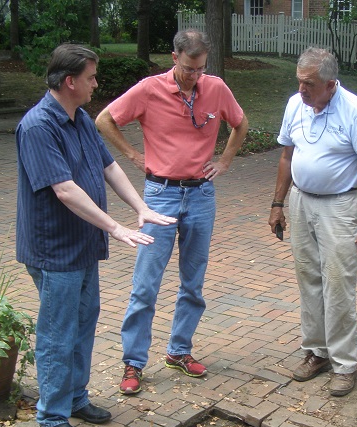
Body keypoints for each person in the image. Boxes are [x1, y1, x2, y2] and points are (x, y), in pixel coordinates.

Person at [16, 44, 176, 427]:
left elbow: (108, 167)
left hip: (83, 245)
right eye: (91, 77)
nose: (96, 83)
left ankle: (75, 398)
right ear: (70, 81)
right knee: (57, 331)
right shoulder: (38, 127)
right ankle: (51, 415)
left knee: (84, 321)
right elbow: (65, 191)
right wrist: (115, 229)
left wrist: (140, 208)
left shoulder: (81, 118)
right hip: (55, 251)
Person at [96, 29, 248, 396]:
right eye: (189, 68)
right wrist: (133, 155)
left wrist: (225, 160)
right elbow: (104, 120)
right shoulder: (149, 89)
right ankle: (133, 363)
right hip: (160, 196)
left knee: (193, 282)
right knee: (145, 284)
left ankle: (179, 350)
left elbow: (240, 123)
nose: (195, 76)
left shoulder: (215, 88)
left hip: (201, 195)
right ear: (174, 58)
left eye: (201, 69)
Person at [269, 47, 357, 398]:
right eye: (299, 82)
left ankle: (345, 363)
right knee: (309, 280)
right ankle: (317, 352)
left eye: (309, 84)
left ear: (330, 84)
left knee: (338, 284)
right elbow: (287, 155)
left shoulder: (354, 111)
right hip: (301, 201)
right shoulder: (295, 105)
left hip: (339, 207)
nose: (302, 90)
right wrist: (277, 203)